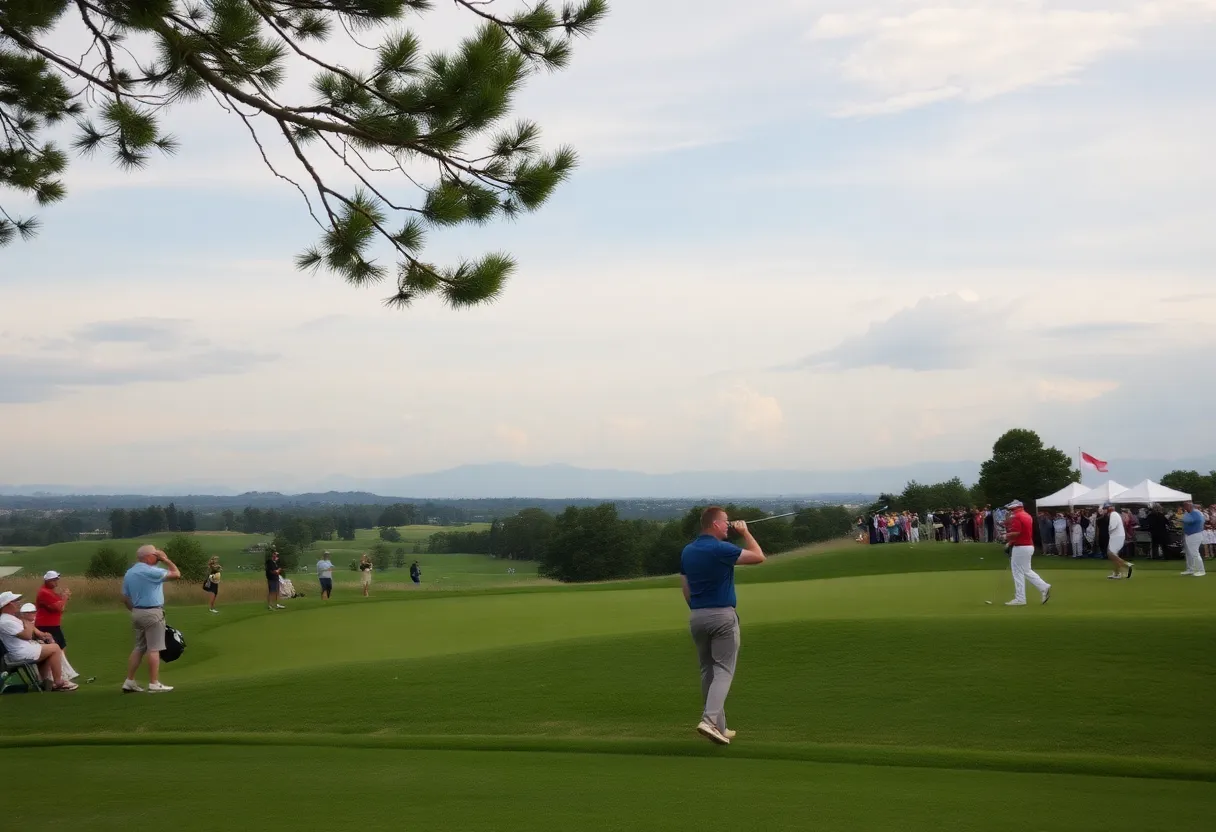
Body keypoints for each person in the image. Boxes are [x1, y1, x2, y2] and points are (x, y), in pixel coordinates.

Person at [679, 506, 766, 746]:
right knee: (724, 670)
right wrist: (745, 532)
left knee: (708, 670)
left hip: (697, 616)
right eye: (726, 522)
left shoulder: (688, 551)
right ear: (715, 525)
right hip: (722, 615)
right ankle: (708, 720)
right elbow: (759, 556)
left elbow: (685, 587)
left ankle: (719, 727)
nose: (729, 525)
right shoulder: (720, 548)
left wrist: (698, 609)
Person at [121, 544, 181, 693]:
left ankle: (129, 681)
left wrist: (134, 610)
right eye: (155, 555)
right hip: (152, 612)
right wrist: (166, 559)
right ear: (148, 557)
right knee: (154, 648)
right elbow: (176, 574)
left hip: (137, 612)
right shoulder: (151, 571)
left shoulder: (130, 573)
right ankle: (154, 683)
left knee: (139, 647)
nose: (157, 557)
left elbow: (124, 597)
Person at [0, 590, 75, 691]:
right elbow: (27, 635)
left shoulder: (10, 618)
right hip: (20, 653)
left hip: (22, 649)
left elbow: (27, 633)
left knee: (47, 651)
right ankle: (58, 682)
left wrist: (41, 635)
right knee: (55, 648)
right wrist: (28, 622)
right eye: (15, 601)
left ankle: (44, 682)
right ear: (8, 605)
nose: (18, 603)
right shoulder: (6, 621)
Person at [1002, 500, 1051, 606]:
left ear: (1014, 508)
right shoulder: (1027, 515)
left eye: (1010, 509)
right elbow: (1022, 533)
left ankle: (1020, 598)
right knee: (1026, 570)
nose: (1009, 512)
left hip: (1020, 547)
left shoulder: (1016, 516)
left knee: (1017, 572)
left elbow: (1016, 532)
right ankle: (1043, 587)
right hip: (1028, 546)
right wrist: (1010, 542)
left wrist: (1006, 536)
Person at [34, 570, 71, 648]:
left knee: (60, 646)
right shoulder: (44, 593)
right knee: (58, 647)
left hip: (52, 624)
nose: (56, 582)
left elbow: (61, 608)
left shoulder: (50, 592)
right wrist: (64, 598)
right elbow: (57, 607)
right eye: (54, 580)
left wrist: (63, 599)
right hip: (47, 625)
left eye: (56, 580)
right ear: (47, 581)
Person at [1103, 502, 1133, 579]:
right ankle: (1117, 573)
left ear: (1108, 509)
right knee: (1114, 555)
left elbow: (1113, 526)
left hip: (1116, 536)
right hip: (1117, 536)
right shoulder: (1114, 514)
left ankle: (1127, 565)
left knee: (1110, 554)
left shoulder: (1113, 514)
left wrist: (1109, 531)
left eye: (1104, 509)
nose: (1103, 510)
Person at [1180, 500, 1207, 577]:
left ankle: (1201, 570)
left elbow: (1190, 520)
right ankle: (1190, 569)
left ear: (1190, 506)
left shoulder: (1196, 513)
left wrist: (1183, 520)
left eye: (1185, 506)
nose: (1184, 507)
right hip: (1188, 534)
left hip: (1195, 534)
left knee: (1195, 553)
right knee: (1189, 553)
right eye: (1184, 506)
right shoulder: (1188, 513)